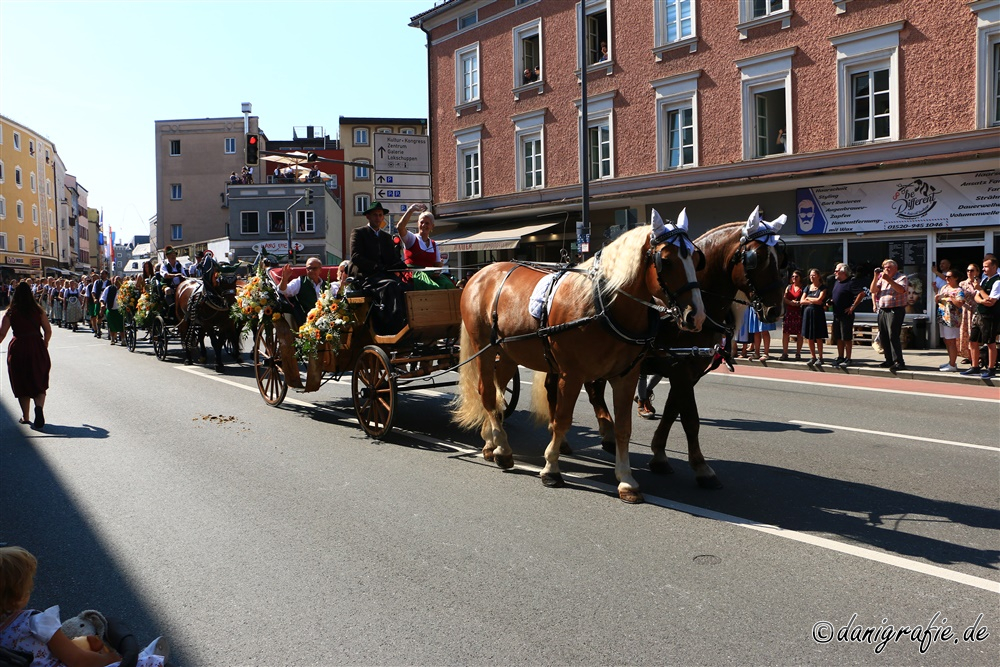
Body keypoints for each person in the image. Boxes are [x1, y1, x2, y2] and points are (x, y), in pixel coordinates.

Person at [0, 546, 168, 667]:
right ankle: (144, 660)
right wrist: (112, 660)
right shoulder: (35, 622)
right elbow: (78, 660)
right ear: (19, 597)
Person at [350, 201, 408, 335]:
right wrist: (376, 266)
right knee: (391, 286)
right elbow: (356, 256)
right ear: (368, 217)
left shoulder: (386, 237)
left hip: (383, 276)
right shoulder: (359, 233)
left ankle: (406, 321)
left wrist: (401, 265)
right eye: (375, 215)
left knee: (405, 286)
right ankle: (390, 325)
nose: (378, 218)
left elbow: (392, 259)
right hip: (366, 278)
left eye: (380, 215)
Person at [0, 281, 52, 428]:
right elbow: (48, 330)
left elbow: (2, 334)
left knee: (21, 380)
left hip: (18, 347)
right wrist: (44, 344)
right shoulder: (38, 310)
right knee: (39, 379)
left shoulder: (11, 312)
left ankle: (26, 416)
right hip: (36, 345)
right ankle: (39, 408)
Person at [396, 203, 454, 290]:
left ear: (432, 226)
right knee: (432, 286)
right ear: (418, 224)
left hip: (431, 275)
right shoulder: (412, 238)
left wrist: (438, 269)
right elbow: (400, 227)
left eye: (427, 223)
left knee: (449, 285)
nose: (424, 225)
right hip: (415, 275)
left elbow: (437, 265)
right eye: (421, 222)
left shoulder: (434, 244)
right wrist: (411, 210)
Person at [962, 253, 1000, 379]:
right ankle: (975, 366)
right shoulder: (985, 279)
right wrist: (982, 300)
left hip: (990, 316)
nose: (983, 269)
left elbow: (992, 300)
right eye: (983, 267)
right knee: (973, 340)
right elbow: (977, 296)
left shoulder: (997, 281)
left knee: (990, 342)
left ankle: (991, 368)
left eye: (986, 267)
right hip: (979, 314)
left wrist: (981, 292)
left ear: (994, 267)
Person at [870, 259, 909, 371]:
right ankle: (889, 360)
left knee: (893, 335)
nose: (886, 269)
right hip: (883, 310)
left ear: (895, 268)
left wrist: (889, 280)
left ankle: (899, 361)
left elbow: (901, 290)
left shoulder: (902, 278)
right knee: (884, 335)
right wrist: (875, 276)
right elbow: (873, 290)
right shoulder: (881, 278)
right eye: (884, 267)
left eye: (889, 267)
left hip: (895, 310)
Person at [829, 263, 865, 368]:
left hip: (846, 314)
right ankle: (840, 356)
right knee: (838, 337)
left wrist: (852, 307)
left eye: (836, 271)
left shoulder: (851, 282)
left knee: (847, 337)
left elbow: (861, 294)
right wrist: (831, 301)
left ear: (843, 272)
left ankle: (848, 358)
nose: (834, 272)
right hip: (836, 314)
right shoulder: (837, 282)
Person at [277, 256, 327, 325]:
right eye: (309, 268)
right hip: (305, 321)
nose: (311, 271)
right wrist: (284, 279)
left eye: (314, 268)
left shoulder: (327, 285)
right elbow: (283, 291)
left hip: (325, 320)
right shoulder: (300, 281)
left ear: (320, 270)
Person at [935, 269, 964, 372]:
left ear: (955, 278)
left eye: (949, 277)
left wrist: (951, 299)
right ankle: (951, 362)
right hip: (943, 317)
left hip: (952, 319)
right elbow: (938, 300)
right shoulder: (944, 287)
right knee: (946, 340)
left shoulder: (958, 290)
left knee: (951, 341)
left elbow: (960, 304)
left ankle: (952, 364)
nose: (946, 278)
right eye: (946, 277)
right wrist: (938, 297)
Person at [799, 269, 829, 366]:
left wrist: (809, 298)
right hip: (808, 313)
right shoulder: (807, 288)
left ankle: (820, 357)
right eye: (810, 275)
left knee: (818, 336)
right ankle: (813, 356)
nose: (811, 277)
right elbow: (801, 301)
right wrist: (812, 300)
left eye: (814, 275)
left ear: (819, 276)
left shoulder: (822, 288)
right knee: (809, 337)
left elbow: (820, 301)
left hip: (818, 314)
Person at [958, 263, 981, 366]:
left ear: (977, 272)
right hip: (966, 311)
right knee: (966, 334)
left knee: (976, 335)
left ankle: (979, 356)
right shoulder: (962, 284)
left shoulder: (981, 282)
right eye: (968, 270)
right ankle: (969, 356)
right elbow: (959, 295)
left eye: (972, 270)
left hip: (977, 311)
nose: (969, 272)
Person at [779, 270, 804, 361]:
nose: (794, 278)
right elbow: (784, 298)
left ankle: (798, 353)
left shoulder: (803, 288)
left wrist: (798, 303)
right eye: (793, 276)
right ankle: (785, 353)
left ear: (800, 278)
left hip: (799, 313)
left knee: (799, 334)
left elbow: (805, 298)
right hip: (789, 312)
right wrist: (790, 302)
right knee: (786, 333)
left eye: (796, 276)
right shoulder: (789, 287)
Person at [159, 246, 186, 312]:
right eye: (171, 254)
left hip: (179, 285)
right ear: (167, 256)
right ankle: (171, 308)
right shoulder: (164, 265)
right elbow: (166, 275)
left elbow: (184, 275)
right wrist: (176, 275)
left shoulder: (179, 265)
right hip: (167, 285)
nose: (173, 256)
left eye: (174, 254)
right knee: (168, 290)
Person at [101, 276, 123, 346]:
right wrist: (102, 304)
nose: (117, 282)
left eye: (119, 280)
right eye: (116, 280)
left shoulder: (124, 289)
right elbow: (102, 298)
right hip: (111, 309)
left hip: (121, 310)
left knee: (121, 326)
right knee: (111, 325)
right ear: (113, 281)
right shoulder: (109, 288)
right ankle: (113, 338)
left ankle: (123, 339)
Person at [88, 270, 110, 339]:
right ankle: (98, 330)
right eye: (100, 274)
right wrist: (94, 298)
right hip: (98, 301)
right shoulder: (97, 282)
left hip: (107, 301)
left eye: (103, 274)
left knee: (109, 316)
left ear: (106, 275)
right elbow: (93, 292)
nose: (101, 275)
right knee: (98, 316)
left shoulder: (109, 282)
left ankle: (110, 332)